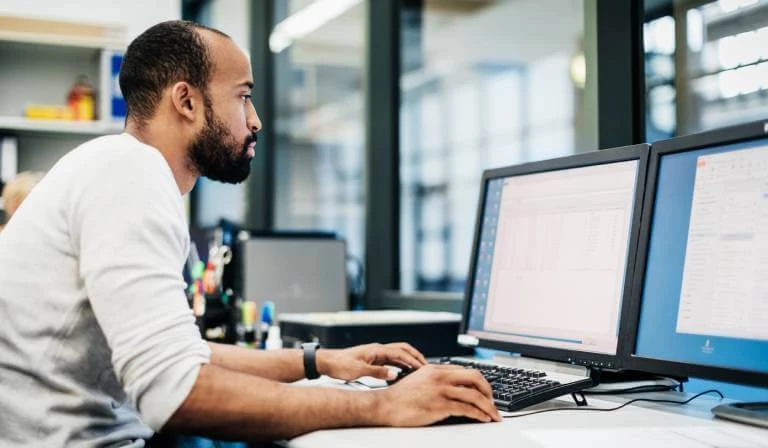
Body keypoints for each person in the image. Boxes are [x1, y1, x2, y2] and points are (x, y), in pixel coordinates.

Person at [0, 21, 500, 446]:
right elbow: (173, 389)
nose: (256, 121)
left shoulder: (114, 168)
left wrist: (321, 360)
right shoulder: (129, 174)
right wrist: (386, 406)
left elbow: (183, 355)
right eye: (243, 97)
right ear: (186, 101)